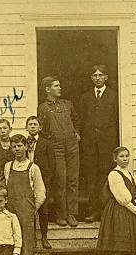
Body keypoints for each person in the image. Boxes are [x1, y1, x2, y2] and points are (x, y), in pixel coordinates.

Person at [77, 65, 119, 222]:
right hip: (89, 145)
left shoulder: (114, 96)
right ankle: (94, 211)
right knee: (92, 178)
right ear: (91, 78)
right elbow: (81, 120)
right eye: (95, 75)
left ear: (106, 77)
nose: (98, 78)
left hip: (107, 145)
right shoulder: (85, 97)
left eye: (101, 75)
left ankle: (106, 212)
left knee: (106, 177)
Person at [37, 76, 80, 227]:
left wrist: (76, 131)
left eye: (59, 85)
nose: (60, 88)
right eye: (56, 86)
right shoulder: (42, 108)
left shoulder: (67, 104)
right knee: (60, 180)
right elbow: (41, 128)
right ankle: (61, 214)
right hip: (56, 146)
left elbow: (76, 119)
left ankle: (71, 214)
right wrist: (50, 142)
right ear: (48, 89)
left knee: (73, 179)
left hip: (72, 145)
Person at [4, 134, 46, 255]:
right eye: (14, 146)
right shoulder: (8, 166)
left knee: (27, 246)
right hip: (10, 211)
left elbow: (41, 193)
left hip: (26, 211)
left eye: (20, 145)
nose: (17, 149)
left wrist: (32, 210)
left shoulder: (33, 168)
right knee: (12, 244)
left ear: (26, 147)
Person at [26, 116, 55, 247]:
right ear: (26, 127)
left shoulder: (46, 143)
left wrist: (46, 182)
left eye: (35, 124)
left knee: (43, 210)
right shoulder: (23, 142)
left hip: (41, 181)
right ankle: (32, 238)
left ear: (40, 127)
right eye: (30, 124)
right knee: (28, 210)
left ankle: (44, 237)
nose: (32, 126)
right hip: (26, 180)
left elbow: (52, 165)